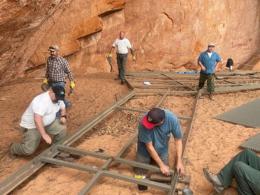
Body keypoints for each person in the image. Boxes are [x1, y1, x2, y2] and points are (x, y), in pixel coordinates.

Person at [10, 85, 67, 156]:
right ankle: (13, 148)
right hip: (33, 126)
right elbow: (37, 119)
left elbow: (63, 107)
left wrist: (63, 116)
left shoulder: (58, 98)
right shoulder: (41, 101)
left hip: (48, 123)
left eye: (60, 98)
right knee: (28, 150)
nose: (58, 99)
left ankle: (55, 151)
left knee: (62, 130)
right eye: (57, 97)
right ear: (51, 92)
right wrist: (44, 135)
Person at [135, 108, 184, 190]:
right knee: (140, 170)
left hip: (162, 147)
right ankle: (142, 182)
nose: (148, 125)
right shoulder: (144, 122)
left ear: (161, 121)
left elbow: (178, 140)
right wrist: (161, 165)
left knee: (165, 172)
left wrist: (179, 161)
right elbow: (149, 147)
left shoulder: (172, 120)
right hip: (144, 148)